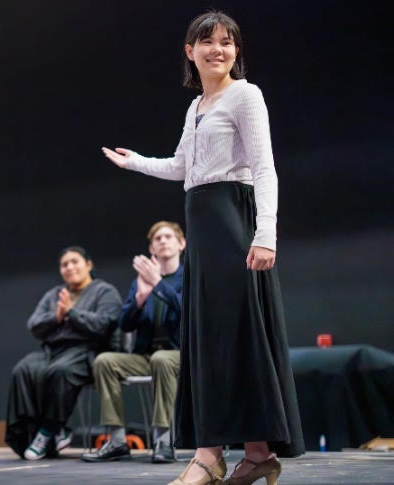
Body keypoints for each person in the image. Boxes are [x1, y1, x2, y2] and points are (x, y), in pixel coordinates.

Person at [102, 11, 304, 485]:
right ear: (189, 51)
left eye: (227, 42)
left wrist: (265, 233)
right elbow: (182, 168)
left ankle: (209, 456)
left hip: (233, 221)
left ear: (236, 51)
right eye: (207, 42)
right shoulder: (195, 108)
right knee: (214, 337)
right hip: (204, 222)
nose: (219, 49)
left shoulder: (246, 96)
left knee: (236, 334)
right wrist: (137, 164)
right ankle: (255, 454)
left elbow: (264, 167)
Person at [6, 246, 122, 461]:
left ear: (88, 264)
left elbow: (104, 324)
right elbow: (34, 324)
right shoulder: (55, 294)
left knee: (61, 371)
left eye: (75, 262)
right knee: (23, 370)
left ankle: (49, 430)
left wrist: (72, 313)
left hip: (86, 350)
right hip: (53, 350)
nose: (70, 267)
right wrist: (57, 317)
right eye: (64, 264)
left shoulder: (104, 291)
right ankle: (33, 430)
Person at [82, 222, 184, 464]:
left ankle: (164, 440)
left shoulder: (190, 275)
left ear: (182, 243)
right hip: (147, 356)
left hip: (181, 354)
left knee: (162, 360)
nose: (163, 241)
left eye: (168, 236)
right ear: (151, 247)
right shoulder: (141, 281)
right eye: (157, 238)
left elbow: (189, 311)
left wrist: (158, 284)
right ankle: (117, 441)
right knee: (105, 361)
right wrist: (139, 298)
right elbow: (125, 324)